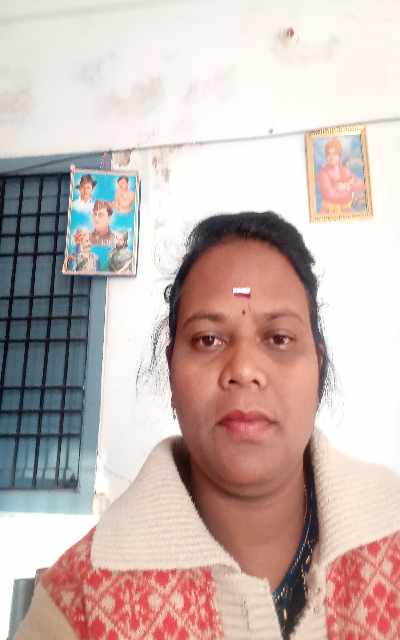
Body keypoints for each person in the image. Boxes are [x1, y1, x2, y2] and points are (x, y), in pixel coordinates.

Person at [16, 212, 400, 639]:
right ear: (171, 373)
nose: (244, 369)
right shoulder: (77, 602)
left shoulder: (391, 524)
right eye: (207, 340)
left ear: (318, 368)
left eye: (279, 338)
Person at [317, 138, 366, 215]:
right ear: (326, 156)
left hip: (346, 209)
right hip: (329, 211)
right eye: (328, 154)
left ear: (339, 156)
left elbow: (361, 185)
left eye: (334, 154)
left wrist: (346, 186)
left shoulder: (344, 170)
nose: (331, 157)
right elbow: (330, 195)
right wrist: (349, 189)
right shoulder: (323, 173)